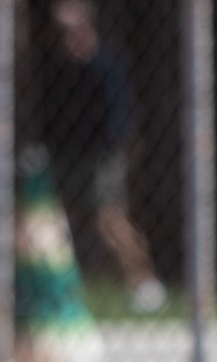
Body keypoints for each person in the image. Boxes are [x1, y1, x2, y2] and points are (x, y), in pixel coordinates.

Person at [42, 0, 165, 313]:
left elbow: (119, 116)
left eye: (70, 29)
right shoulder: (58, 69)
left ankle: (144, 283)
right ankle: (65, 293)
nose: (65, 37)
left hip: (102, 155)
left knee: (109, 221)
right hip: (66, 153)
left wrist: (114, 147)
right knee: (58, 222)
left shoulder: (105, 65)